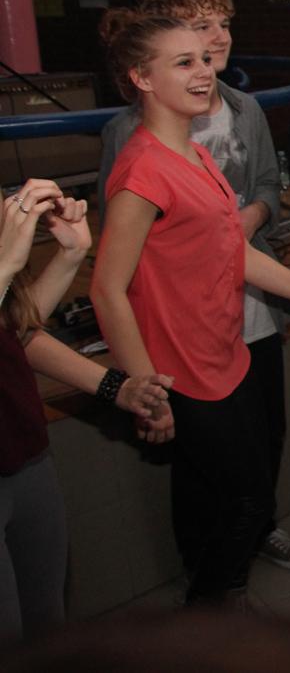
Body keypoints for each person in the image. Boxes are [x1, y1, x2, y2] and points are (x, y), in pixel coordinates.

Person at [90, 11, 290, 606]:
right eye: (183, 62)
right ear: (141, 78)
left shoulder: (194, 153)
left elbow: (233, 253)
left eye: (204, 60)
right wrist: (145, 389)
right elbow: (107, 289)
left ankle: (219, 605)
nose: (204, 71)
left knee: (218, 490)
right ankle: (207, 616)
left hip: (226, 352)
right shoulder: (142, 170)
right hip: (180, 370)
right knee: (249, 499)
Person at [1, 179, 172, 641]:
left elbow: (14, 330)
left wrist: (70, 256)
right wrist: (4, 267)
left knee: (45, 622)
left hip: (25, 454)